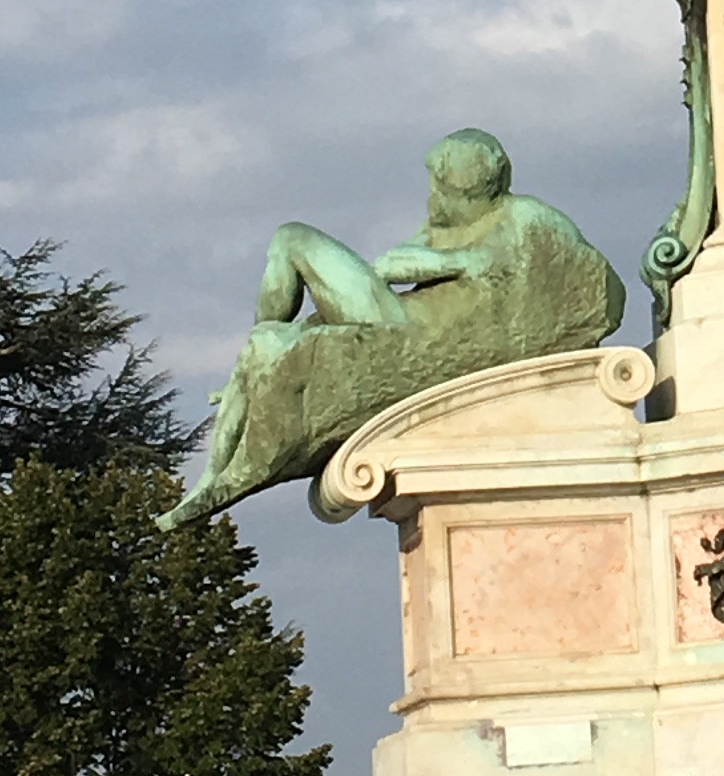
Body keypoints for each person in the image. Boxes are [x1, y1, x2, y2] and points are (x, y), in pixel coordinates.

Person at [162, 132, 621, 526]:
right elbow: (393, 263)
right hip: (397, 321)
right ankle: (212, 477)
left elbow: (582, 290)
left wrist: (460, 267)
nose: (432, 197)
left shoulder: (527, 219)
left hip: (407, 335)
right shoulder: (450, 226)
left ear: (464, 186)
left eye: (438, 186)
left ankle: (228, 475)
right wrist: (453, 262)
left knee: (290, 240)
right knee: (265, 340)